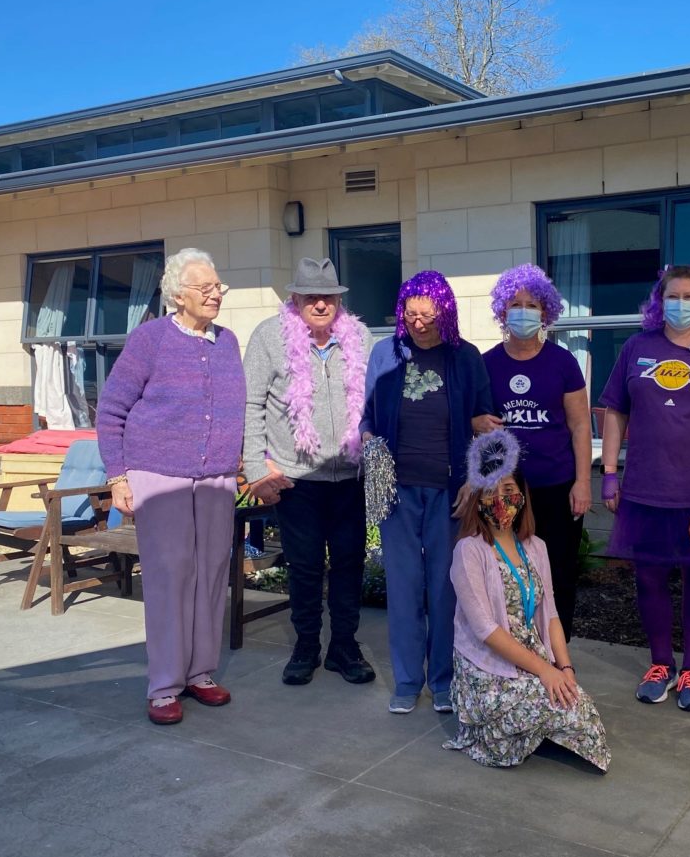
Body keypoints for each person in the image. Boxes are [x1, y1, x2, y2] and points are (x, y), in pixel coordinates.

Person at [97, 248, 245, 725]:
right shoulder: (150, 339)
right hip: (159, 474)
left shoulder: (228, 342)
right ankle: (163, 684)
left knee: (211, 572)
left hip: (217, 477)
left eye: (218, 287)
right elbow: (112, 409)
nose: (215, 295)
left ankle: (200, 672)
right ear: (177, 294)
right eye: (205, 288)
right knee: (167, 576)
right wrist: (117, 476)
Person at [599, 264, 690, 712]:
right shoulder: (637, 347)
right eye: (672, 296)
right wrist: (608, 471)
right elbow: (614, 412)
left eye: (689, 297)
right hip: (644, 488)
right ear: (659, 301)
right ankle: (661, 663)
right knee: (649, 578)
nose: (680, 304)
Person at [362, 270, 499, 715]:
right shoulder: (385, 353)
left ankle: (442, 680)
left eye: (428, 314)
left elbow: (486, 426)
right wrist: (366, 439)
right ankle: (406, 681)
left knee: (445, 590)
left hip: (450, 492)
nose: (419, 322)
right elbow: (367, 415)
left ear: (446, 312)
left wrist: (474, 484)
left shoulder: (466, 358)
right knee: (403, 590)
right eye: (410, 313)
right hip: (396, 491)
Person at [242, 257, 376, 688]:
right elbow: (250, 405)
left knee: (350, 563)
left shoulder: (359, 337)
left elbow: (373, 400)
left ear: (339, 300)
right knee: (303, 567)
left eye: (328, 297)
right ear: (294, 299)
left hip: (349, 477)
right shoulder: (269, 337)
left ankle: (344, 646)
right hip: (294, 477)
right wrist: (253, 468)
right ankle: (305, 646)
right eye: (311, 297)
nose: (320, 304)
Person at [445, 429, 610, 771]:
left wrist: (564, 669)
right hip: (488, 669)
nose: (501, 500)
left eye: (509, 490)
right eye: (491, 492)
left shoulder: (536, 547)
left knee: (579, 707)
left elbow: (550, 613)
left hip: (533, 661)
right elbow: (485, 630)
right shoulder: (469, 551)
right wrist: (545, 673)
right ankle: (498, 732)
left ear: (522, 495)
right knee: (549, 704)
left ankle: (532, 729)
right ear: (478, 498)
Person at [483, 264, 592, 640]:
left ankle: (558, 651)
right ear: (502, 311)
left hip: (558, 485)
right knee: (509, 568)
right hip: (506, 489)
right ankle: (518, 642)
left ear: (545, 311)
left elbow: (580, 426)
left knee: (558, 570)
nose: (523, 311)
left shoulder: (563, 362)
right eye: (515, 303)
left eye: (532, 304)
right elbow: (479, 423)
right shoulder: (488, 363)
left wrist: (582, 482)